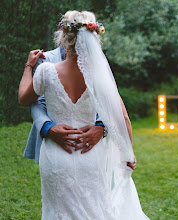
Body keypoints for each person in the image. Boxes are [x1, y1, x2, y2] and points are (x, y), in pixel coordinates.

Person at [19, 10, 149, 219]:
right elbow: (122, 117)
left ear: (64, 37)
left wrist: (28, 67)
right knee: (95, 210)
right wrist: (128, 154)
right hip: (91, 154)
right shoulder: (99, 77)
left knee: (58, 213)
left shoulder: (45, 71)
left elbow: (24, 99)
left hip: (56, 156)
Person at [23, 44, 106, 164]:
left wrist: (101, 127)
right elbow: (36, 101)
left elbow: (109, 103)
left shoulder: (99, 63)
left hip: (90, 148)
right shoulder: (44, 59)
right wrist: (47, 127)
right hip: (54, 147)